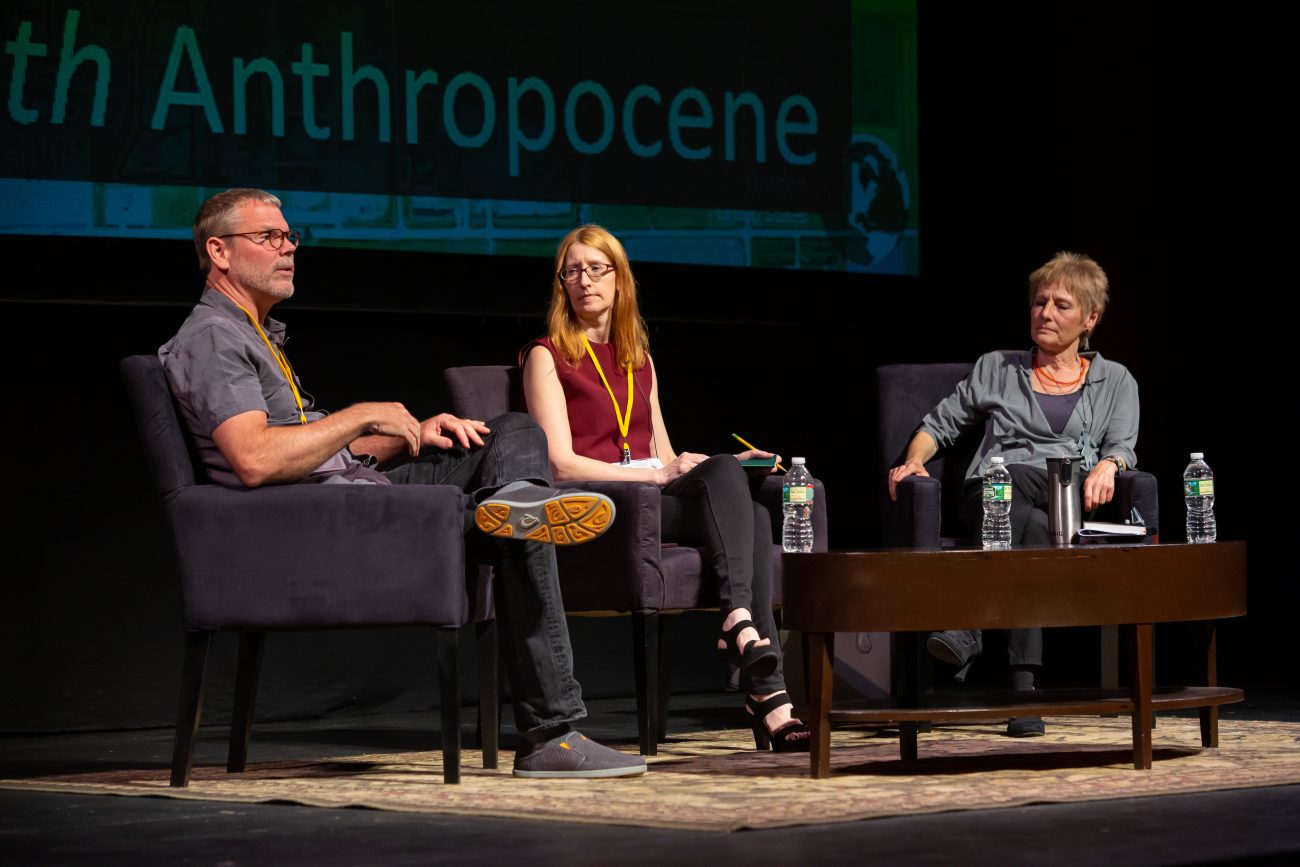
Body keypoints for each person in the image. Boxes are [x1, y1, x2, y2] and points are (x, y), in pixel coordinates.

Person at [159, 189, 646, 779]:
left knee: (511, 433)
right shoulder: (213, 337)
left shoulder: (253, 332)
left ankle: (510, 503)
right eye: (269, 237)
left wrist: (408, 433)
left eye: (290, 237)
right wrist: (361, 413)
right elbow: (255, 458)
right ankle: (552, 733)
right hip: (319, 523)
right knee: (520, 524)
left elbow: (308, 448)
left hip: (351, 493)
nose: (288, 249)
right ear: (220, 251)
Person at [521, 225, 810, 752]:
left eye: (596, 268)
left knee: (747, 498)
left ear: (619, 278)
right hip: (602, 506)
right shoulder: (548, 355)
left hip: (652, 499)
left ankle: (762, 680)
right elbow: (560, 464)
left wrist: (706, 466)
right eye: (572, 271)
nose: (583, 280)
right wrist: (656, 475)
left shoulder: (640, 360)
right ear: (561, 284)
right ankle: (758, 672)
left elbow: (665, 453)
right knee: (737, 499)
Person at [887, 251, 1139, 737]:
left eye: (1061, 305)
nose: (1045, 313)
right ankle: (1023, 686)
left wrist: (1110, 464)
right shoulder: (996, 367)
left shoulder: (1117, 380)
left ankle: (971, 630)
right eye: (1039, 302)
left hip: (1067, 503)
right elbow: (940, 424)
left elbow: (1123, 444)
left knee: (1037, 519)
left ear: (1090, 318)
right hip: (990, 497)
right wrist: (915, 459)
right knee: (1023, 502)